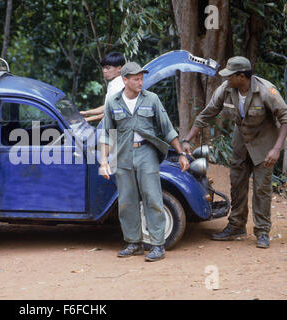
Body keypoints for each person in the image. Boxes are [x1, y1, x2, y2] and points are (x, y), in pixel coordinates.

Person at [182, 56, 287, 249]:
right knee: (237, 183)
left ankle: (262, 231)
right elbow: (207, 113)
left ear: (242, 76)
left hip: (264, 144)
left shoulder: (265, 90)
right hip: (241, 142)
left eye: (230, 76)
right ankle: (236, 226)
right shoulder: (226, 89)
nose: (226, 79)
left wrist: (276, 148)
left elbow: (285, 116)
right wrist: (187, 139)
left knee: (261, 189)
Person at [99, 62, 190, 262]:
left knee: (152, 196)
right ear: (125, 80)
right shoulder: (113, 102)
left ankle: (158, 245)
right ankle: (134, 243)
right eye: (136, 79)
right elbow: (106, 134)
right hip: (122, 155)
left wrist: (181, 153)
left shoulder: (152, 99)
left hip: (146, 153)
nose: (141, 82)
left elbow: (168, 129)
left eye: (142, 78)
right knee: (126, 200)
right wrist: (103, 161)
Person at [80, 52, 125, 122]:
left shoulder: (118, 86)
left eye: (108, 68)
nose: (104, 71)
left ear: (119, 68)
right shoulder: (115, 83)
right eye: (103, 68)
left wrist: (86, 119)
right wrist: (87, 113)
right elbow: (107, 107)